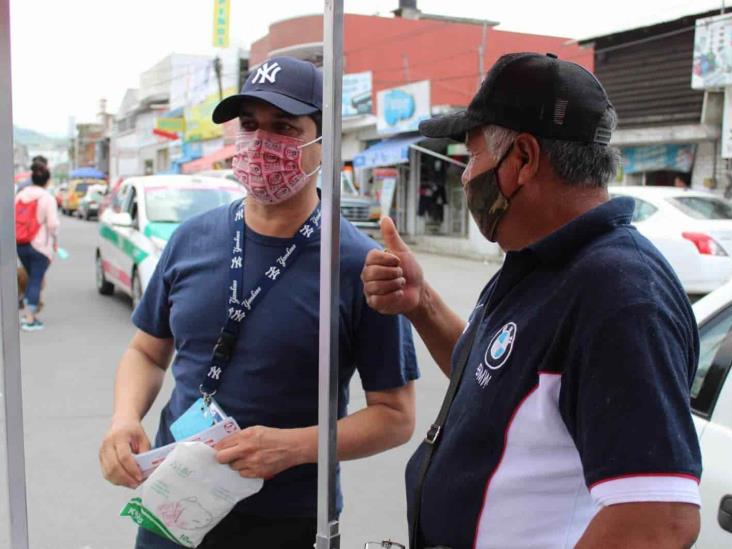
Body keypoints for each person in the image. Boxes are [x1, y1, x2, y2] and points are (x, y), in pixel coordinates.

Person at [362, 52, 702, 548]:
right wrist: (421, 304)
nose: (464, 175)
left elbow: (659, 518)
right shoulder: (541, 263)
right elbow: (490, 376)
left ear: (522, 159)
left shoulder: (621, 293)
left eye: (473, 155)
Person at [99, 55, 419, 549]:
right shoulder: (191, 239)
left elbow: (395, 416)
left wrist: (293, 447)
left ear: (322, 143)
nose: (261, 143)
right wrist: (124, 420)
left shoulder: (360, 265)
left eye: (283, 127)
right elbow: (146, 351)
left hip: (289, 524)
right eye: (249, 125)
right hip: (172, 507)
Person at [15, 162, 59, 331]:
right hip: (39, 246)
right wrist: (54, 239)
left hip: (20, 244)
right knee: (35, 279)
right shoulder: (47, 198)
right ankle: (29, 318)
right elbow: (53, 224)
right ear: (47, 181)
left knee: (31, 277)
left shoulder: (21, 195)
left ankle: (28, 307)